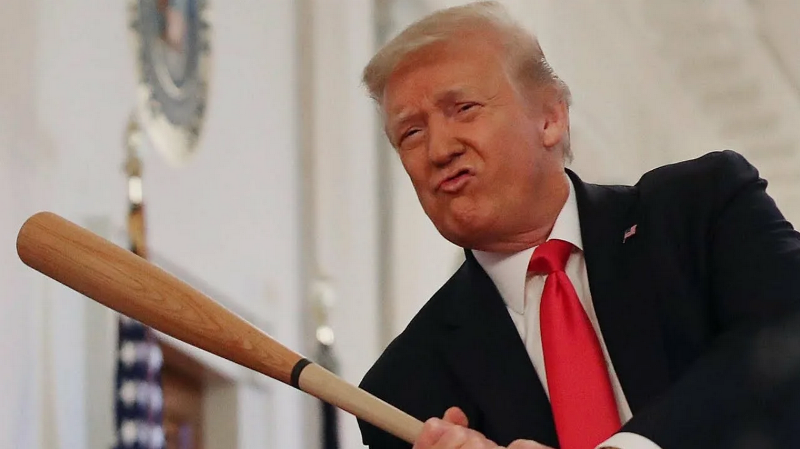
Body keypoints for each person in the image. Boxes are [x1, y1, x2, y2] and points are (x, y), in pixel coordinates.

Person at [356, 2, 800, 449]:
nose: (438, 149)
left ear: (551, 117)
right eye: (411, 133)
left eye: (464, 108)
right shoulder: (404, 389)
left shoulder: (701, 210)